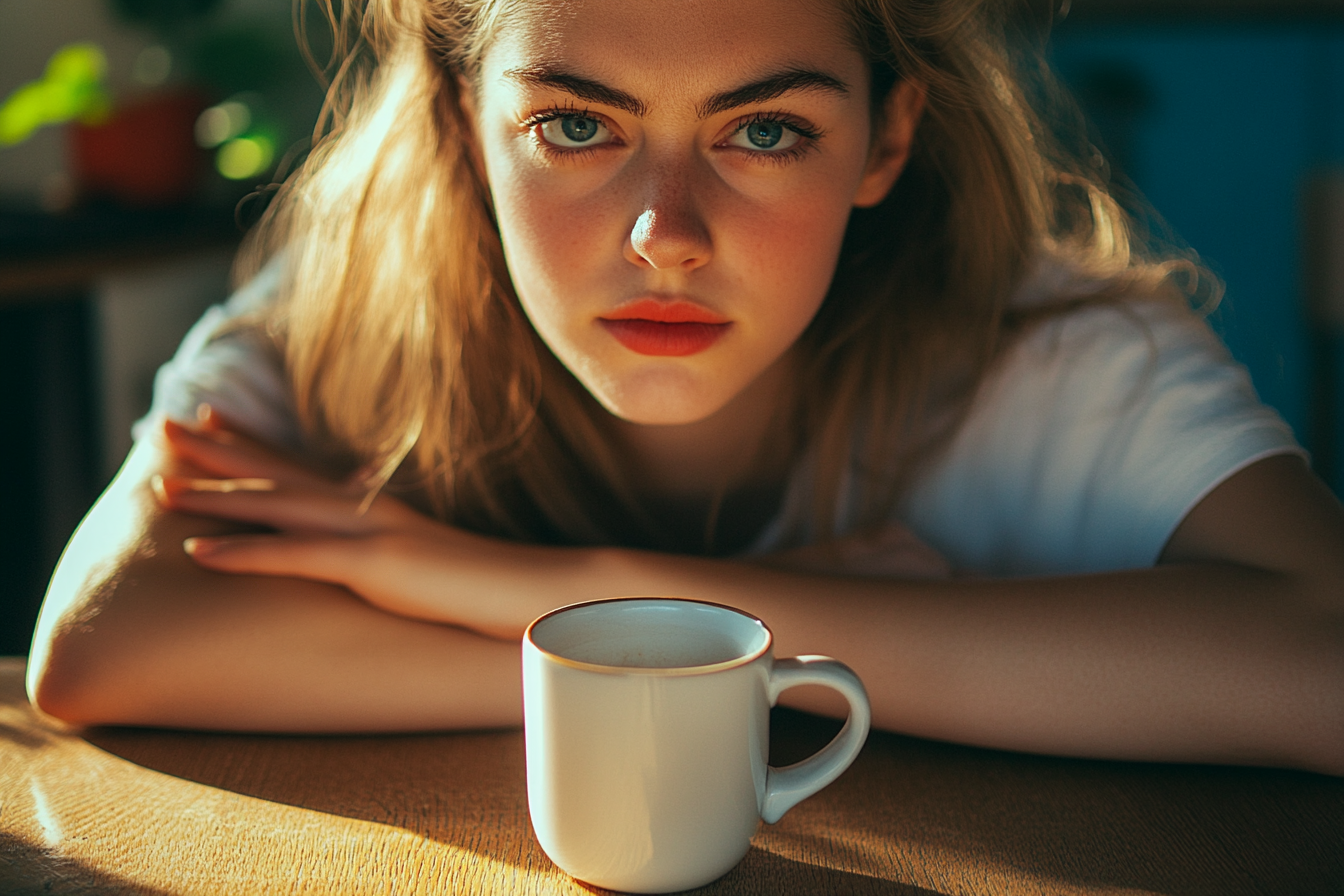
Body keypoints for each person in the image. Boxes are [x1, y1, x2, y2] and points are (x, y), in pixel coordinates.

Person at [25, 0, 1344, 775]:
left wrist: (548, 591)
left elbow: (1321, 670)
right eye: (577, 126)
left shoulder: (1052, 350)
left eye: (763, 131)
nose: (667, 234)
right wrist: (754, 651)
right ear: (459, 128)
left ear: (886, 137)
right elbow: (101, 644)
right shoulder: (346, 321)